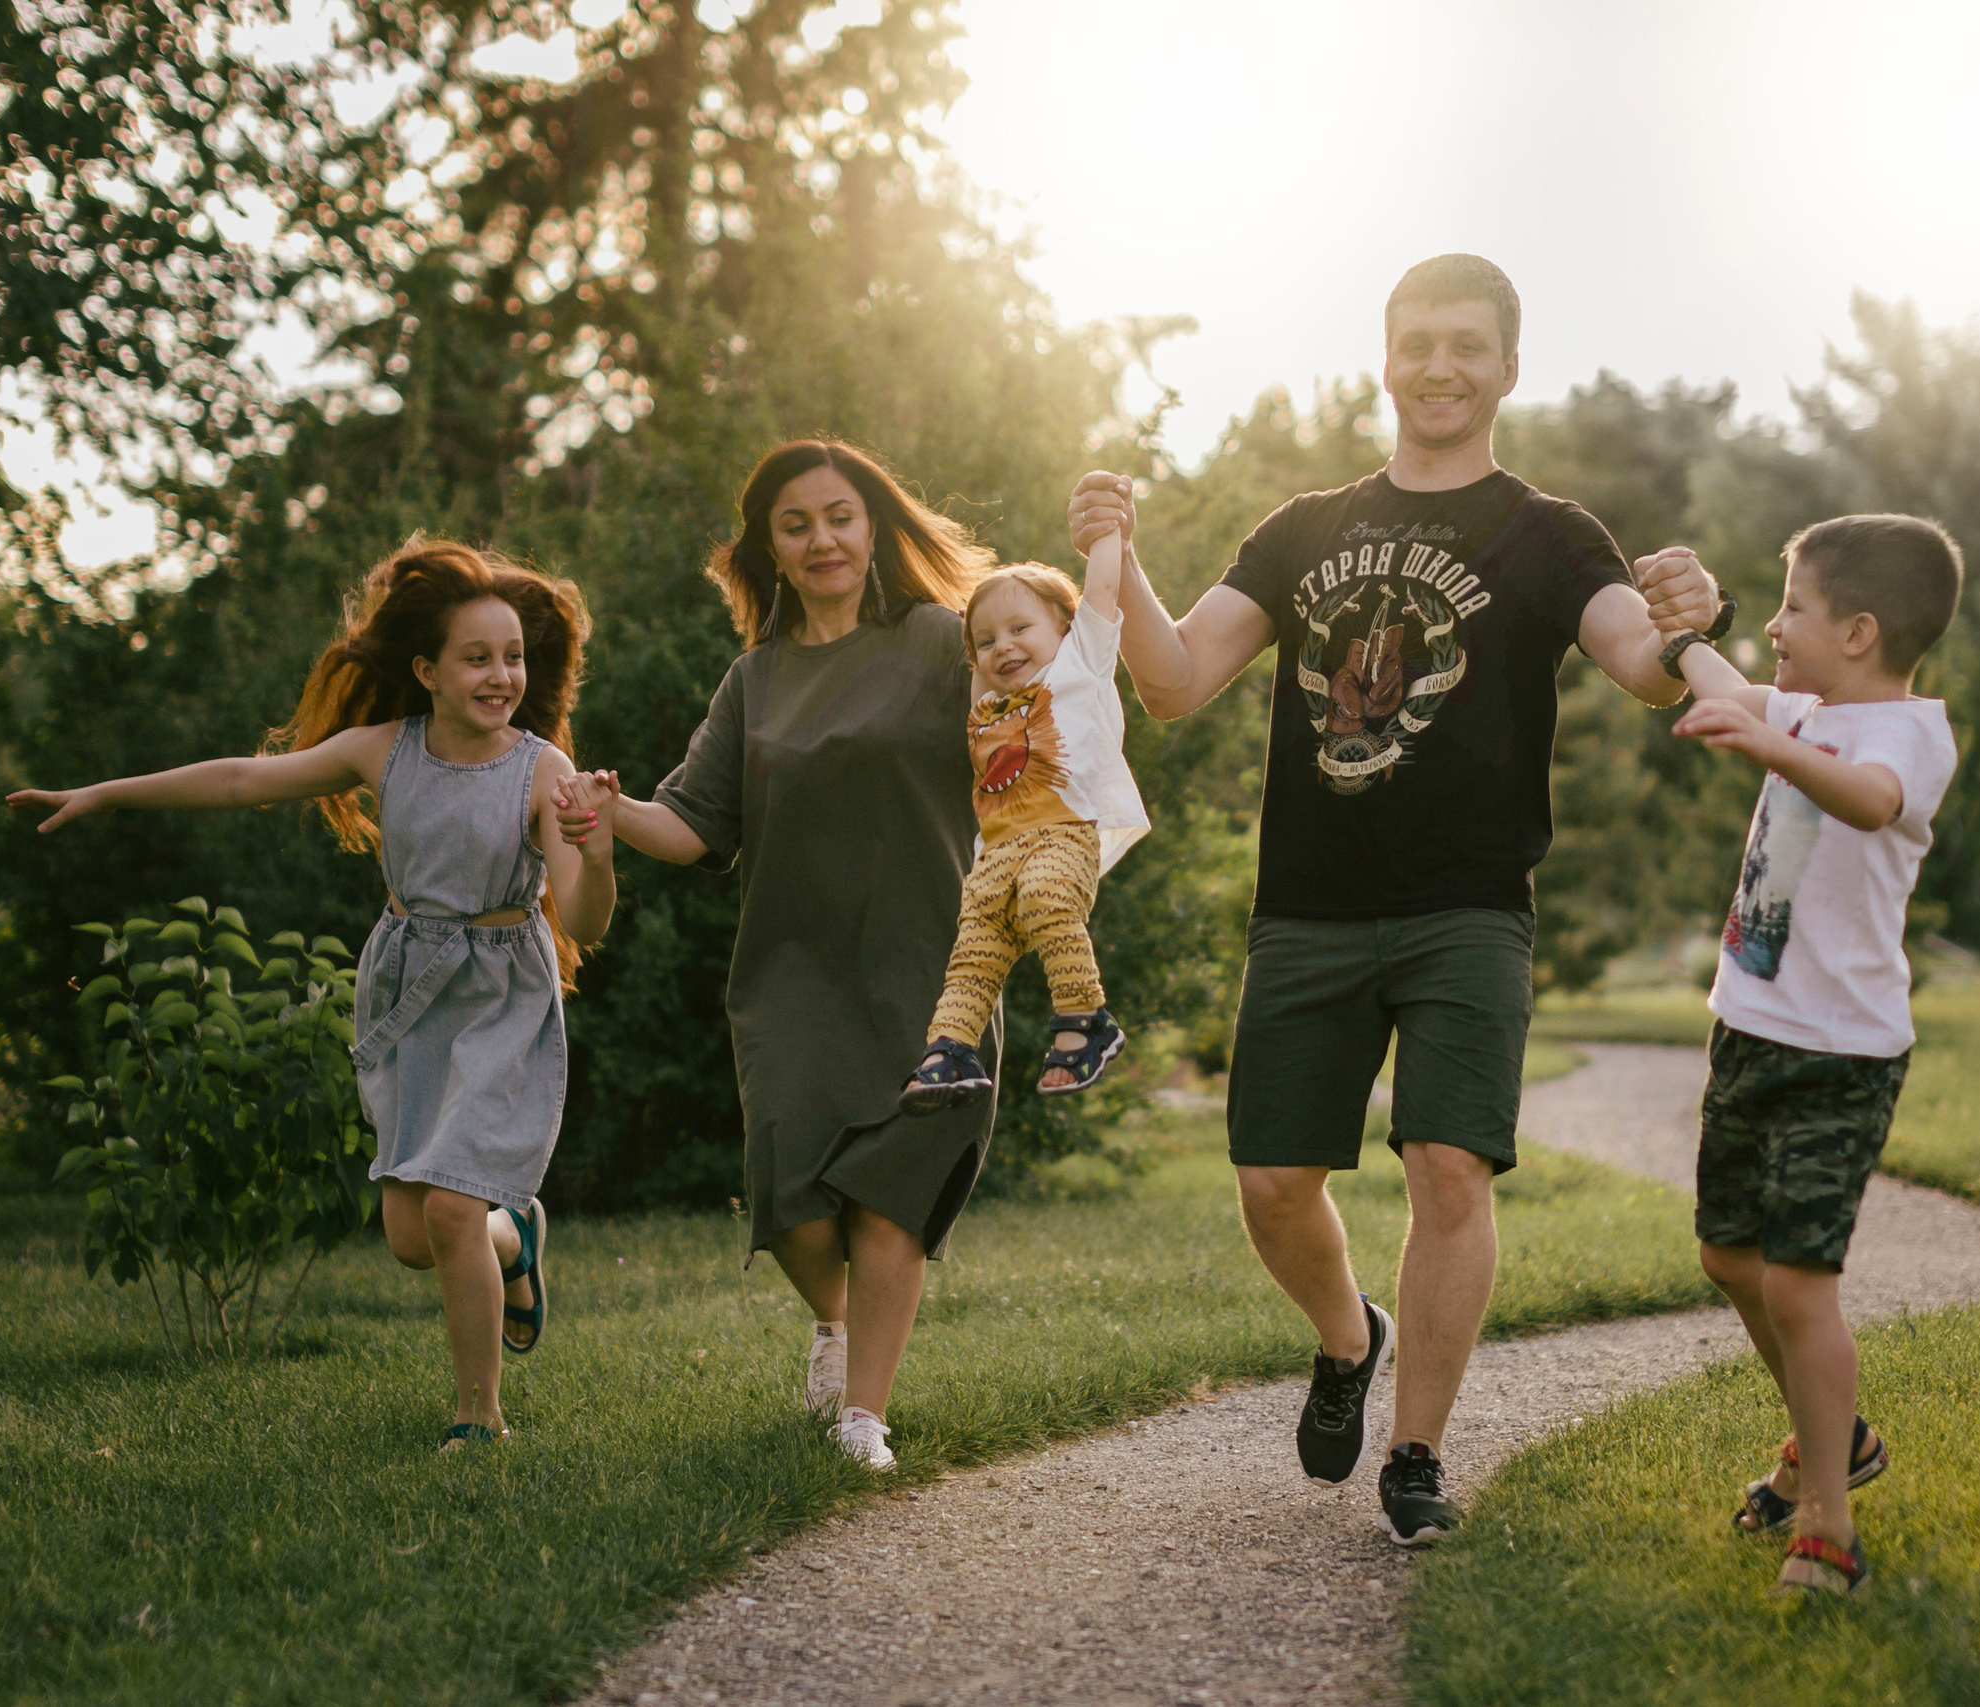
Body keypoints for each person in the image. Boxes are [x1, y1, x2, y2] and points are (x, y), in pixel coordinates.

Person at [1065, 253, 1729, 1545]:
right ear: (1386, 357)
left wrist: (1691, 617)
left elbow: (1642, 665)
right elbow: (1177, 678)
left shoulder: (1548, 530)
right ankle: (1345, 1333)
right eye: (1418, 340)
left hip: (1469, 903)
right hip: (1309, 900)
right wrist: (1118, 553)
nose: (1440, 364)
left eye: (1467, 344)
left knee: (1447, 1165)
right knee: (1270, 1180)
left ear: (1508, 367)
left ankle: (1417, 1451)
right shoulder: (1303, 525)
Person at [7, 538, 620, 1452]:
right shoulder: (384, 750)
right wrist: (106, 792)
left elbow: (586, 916)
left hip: (501, 997)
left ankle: (478, 1419)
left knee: (451, 1209)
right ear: (429, 669)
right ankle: (515, 1239)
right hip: (411, 989)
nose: (503, 676)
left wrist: (598, 849)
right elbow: (241, 778)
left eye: (514, 657)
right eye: (478, 658)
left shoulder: (541, 771)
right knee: (416, 1235)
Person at [563, 440, 995, 1472]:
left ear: (873, 523)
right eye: (793, 525)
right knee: (790, 1196)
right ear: (768, 551)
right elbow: (693, 825)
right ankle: (836, 1326)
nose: (821, 539)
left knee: (890, 1194)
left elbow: (1037, 726)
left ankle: (863, 1418)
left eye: (838, 516)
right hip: (793, 974)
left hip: (931, 966)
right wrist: (608, 811)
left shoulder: (943, 642)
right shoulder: (756, 679)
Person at [1652, 513, 1964, 1597]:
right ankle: (1838, 1441)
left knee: (1797, 1287)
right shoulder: (1807, 708)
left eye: (1793, 610)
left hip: (1842, 1054)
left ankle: (1825, 1518)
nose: (1775, 629)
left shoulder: (1906, 736)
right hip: (1750, 1031)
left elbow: (1870, 802)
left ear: (1862, 631)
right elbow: (1723, 688)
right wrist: (1678, 629)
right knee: (1729, 1261)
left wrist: (1778, 746)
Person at [900, 527, 1150, 1113]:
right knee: (972, 954)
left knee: (1045, 896)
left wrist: (1110, 528)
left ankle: (1085, 1017)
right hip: (995, 855)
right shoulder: (985, 705)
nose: (1002, 646)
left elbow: (1102, 589)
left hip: (1064, 834)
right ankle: (951, 1051)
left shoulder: (1081, 664)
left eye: (1020, 629)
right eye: (987, 641)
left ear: (1065, 627)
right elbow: (976, 647)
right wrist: (974, 624)